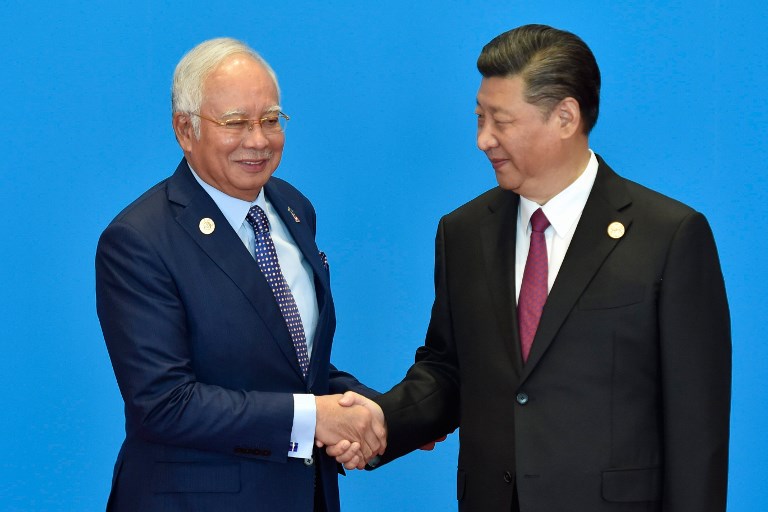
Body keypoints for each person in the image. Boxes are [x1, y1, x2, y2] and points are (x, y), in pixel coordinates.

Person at [345, 24, 731, 511]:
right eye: (479, 117)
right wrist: (382, 421)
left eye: (500, 121)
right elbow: (449, 369)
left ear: (565, 116)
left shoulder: (668, 236)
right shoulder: (463, 232)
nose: (482, 139)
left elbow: (696, 425)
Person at [96, 38, 385, 512]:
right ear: (184, 130)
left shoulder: (294, 207)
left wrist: (381, 413)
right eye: (235, 123)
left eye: (271, 120)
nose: (258, 140)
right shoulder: (138, 240)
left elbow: (290, 364)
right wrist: (316, 418)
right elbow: (164, 404)